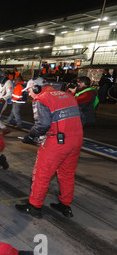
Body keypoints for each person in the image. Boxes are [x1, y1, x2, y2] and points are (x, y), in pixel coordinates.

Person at [15, 78, 83, 219]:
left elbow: (42, 124)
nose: (28, 94)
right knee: (67, 175)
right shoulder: (67, 96)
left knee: (41, 175)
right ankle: (65, 205)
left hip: (58, 142)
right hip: (76, 140)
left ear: (36, 88)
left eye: (28, 90)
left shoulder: (41, 98)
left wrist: (31, 136)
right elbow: (81, 118)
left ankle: (34, 207)